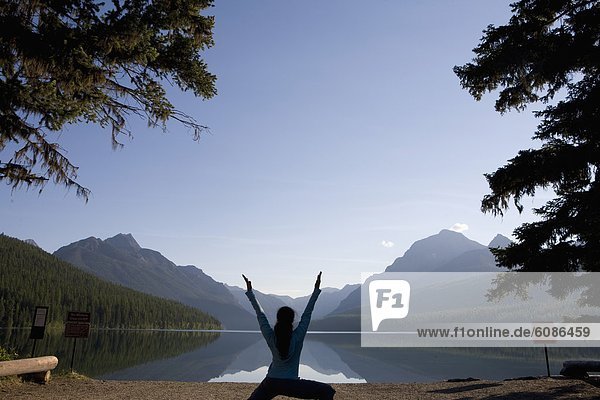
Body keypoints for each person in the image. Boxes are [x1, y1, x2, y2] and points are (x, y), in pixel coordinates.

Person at [243, 272, 336, 400]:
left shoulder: (271, 337)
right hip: (291, 384)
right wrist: (316, 290)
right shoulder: (297, 336)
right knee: (327, 391)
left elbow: (260, 314)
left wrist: (250, 293)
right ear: (292, 321)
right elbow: (307, 314)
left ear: (278, 319)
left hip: (271, 382)